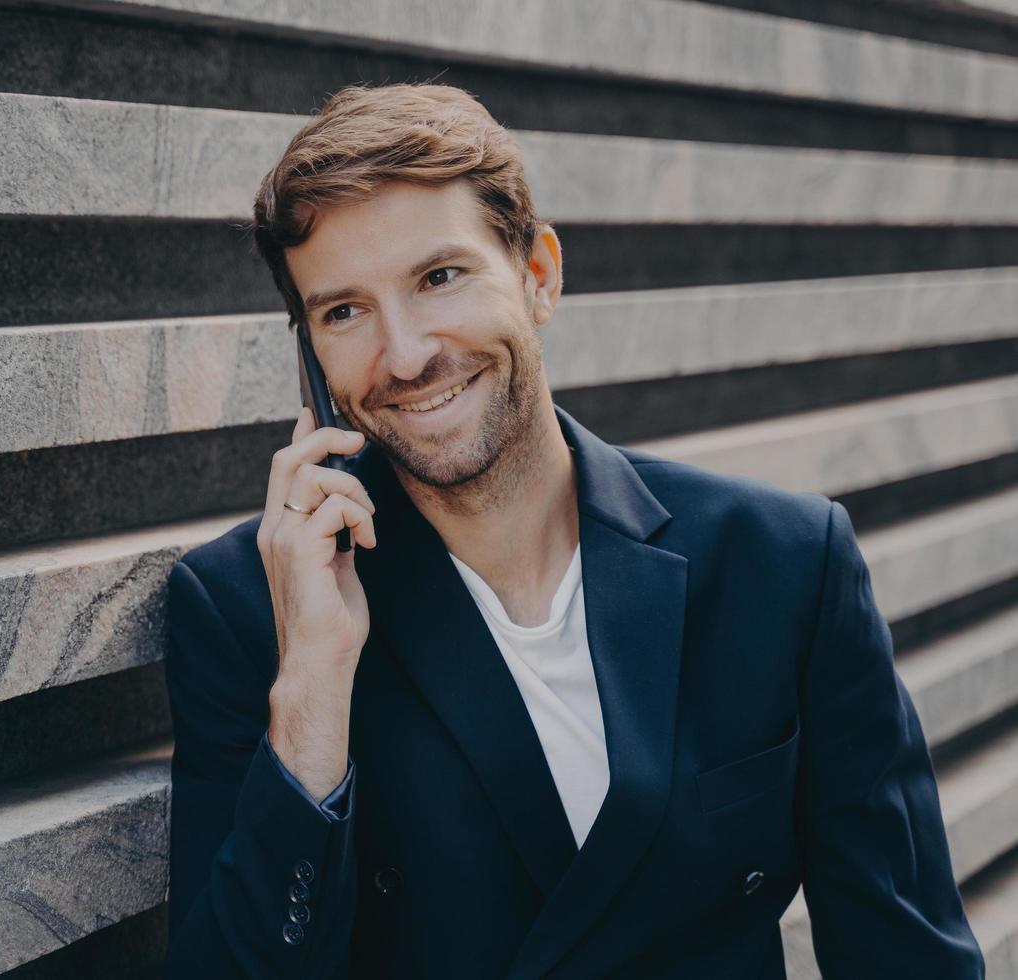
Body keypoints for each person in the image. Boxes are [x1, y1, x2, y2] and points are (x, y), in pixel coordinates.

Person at [162, 82, 982, 978]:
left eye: (440, 277)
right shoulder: (252, 606)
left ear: (539, 277)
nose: (403, 356)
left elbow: (909, 956)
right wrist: (314, 691)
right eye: (343, 311)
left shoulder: (781, 565)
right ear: (310, 355)